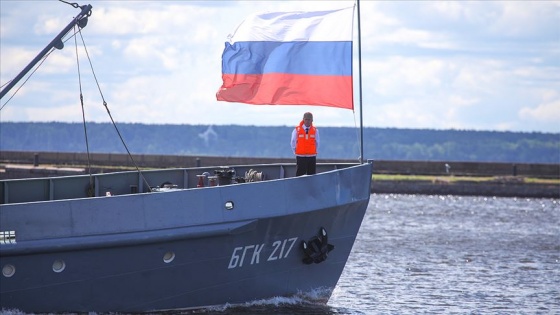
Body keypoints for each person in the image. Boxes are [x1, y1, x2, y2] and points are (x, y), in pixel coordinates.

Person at [291, 112, 320, 176]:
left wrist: (313, 152)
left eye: (309, 120)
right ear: (303, 119)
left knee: (312, 175)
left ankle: (311, 186)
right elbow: (293, 142)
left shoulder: (315, 130)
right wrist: (296, 152)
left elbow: (317, 142)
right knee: (300, 174)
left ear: (312, 120)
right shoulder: (296, 130)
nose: (307, 121)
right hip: (300, 156)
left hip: (311, 156)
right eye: (306, 119)